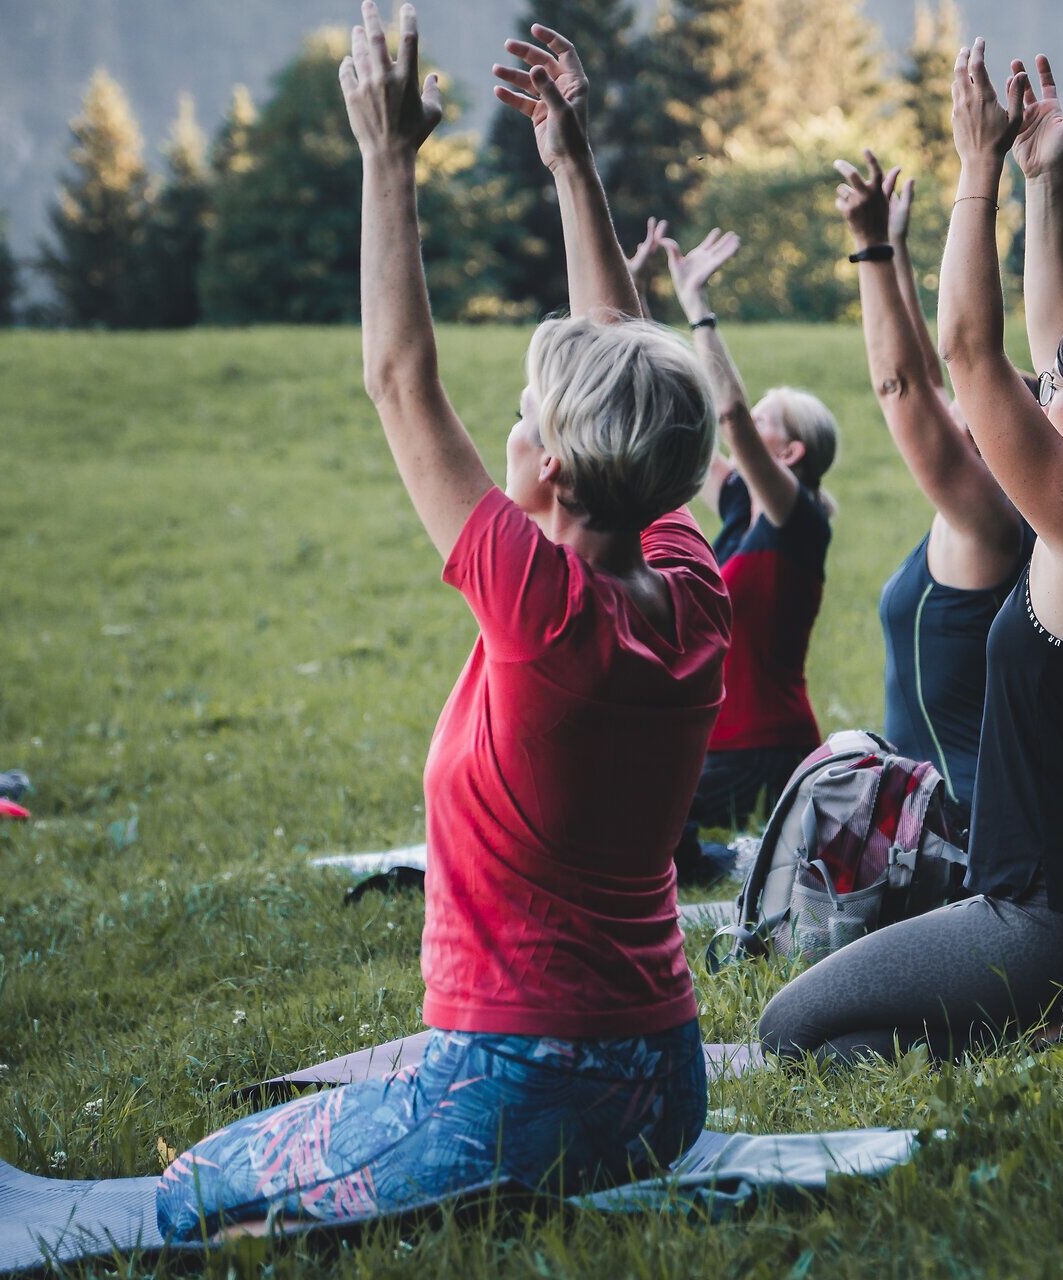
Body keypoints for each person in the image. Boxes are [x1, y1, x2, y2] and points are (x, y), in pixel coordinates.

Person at [157, 9, 726, 1238]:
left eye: (524, 413)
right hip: (663, 1080)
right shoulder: (689, 589)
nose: (507, 425)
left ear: (559, 476)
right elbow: (629, 362)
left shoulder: (541, 613)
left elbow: (400, 379)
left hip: (523, 1084)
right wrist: (572, 163)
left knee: (190, 1191)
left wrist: (387, 158)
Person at [758, 45, 1063, 1064]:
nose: (1037, 390)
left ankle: (1055, 1035)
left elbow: (973, 356)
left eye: (1054, 391)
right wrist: (1042, 178)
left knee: (791, 1032)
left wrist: (974, 168)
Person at [833, 149, 1027, 812]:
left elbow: (904, 388)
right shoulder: (1003, 506)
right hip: (949, 813)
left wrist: (866, 251)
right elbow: (932, 384)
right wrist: (893, 250)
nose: (958, 404)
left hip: (954, 832)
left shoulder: (988, 523)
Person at [650, 226, 841, 884]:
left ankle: (712, 875)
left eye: (766, 424)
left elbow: (725, 411)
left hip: (763, 750)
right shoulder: (739, 508)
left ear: (790, 454)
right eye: (755, 419)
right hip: (717, 743)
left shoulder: (799, 522)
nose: (746, 430)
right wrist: (636, 314)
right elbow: (675, 423)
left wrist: (700, 309)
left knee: (632, 803)